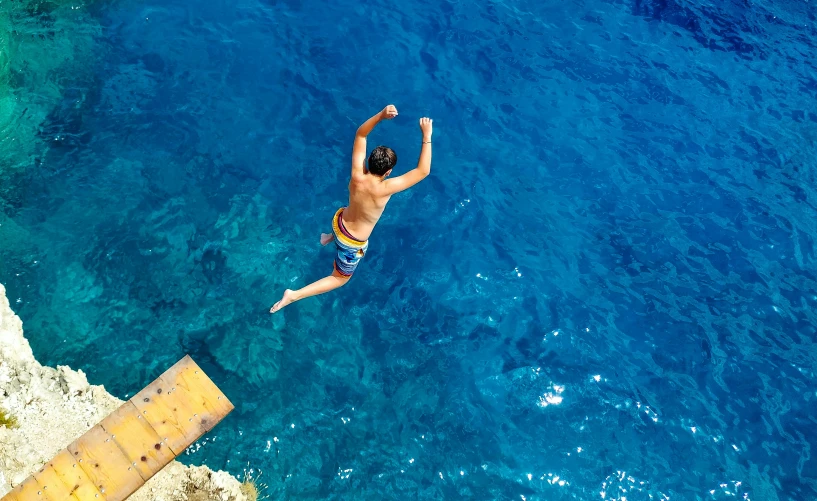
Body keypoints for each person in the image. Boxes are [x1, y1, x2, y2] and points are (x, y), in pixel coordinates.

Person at [270, 105, 433, 313]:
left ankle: (328, 237)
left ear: (370, 161)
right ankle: (294, 295)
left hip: (338, 222)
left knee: (348, 213)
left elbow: (361, 134)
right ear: (389, 171)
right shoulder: (385, 188)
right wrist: (426, 135)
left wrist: (381, 115)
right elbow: (423, 170)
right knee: (339, 279)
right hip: (351, 243)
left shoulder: (358, 174)